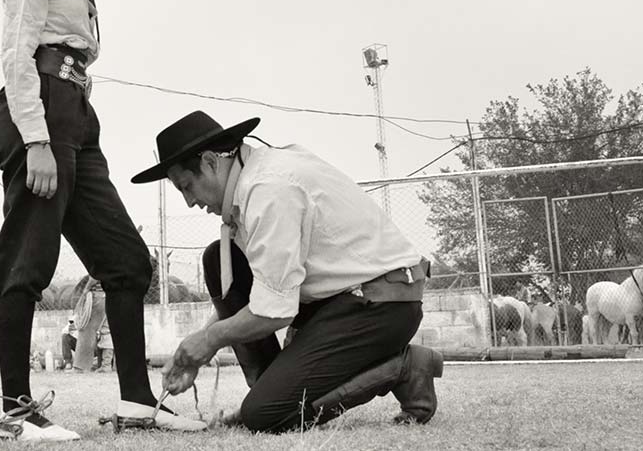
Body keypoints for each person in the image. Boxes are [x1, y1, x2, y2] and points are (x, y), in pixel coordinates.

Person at [0, 0, 203, 441]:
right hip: (41, 111)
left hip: (76, 115)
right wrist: (36, 139)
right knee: (29, 258)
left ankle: (136, 403)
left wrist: (72, 116)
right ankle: (16, 412)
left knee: (127, 263)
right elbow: (16, 53)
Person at [132, 111, 445, 434]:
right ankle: (274, 390)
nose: (189, 202)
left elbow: (274, 311)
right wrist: (196, 347)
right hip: (340, 300)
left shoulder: (270, 189)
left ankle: (404, 367)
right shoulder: (257, 178)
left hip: (379, 305)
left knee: (265, 416)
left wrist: (209, 340)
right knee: (218, 258)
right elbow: (269, 287)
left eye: (187, 186)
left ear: (211, 162)